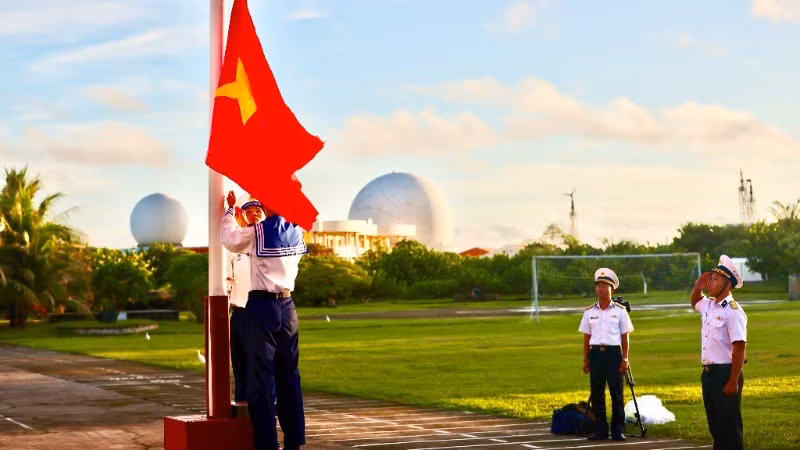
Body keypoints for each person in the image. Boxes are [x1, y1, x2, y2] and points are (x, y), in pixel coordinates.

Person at [220, 190, 307, 450]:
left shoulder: (258, 232)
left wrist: (229, 211)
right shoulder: (297, 230)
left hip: (263, 305)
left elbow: (229, 238)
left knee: (262, 379)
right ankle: (294, 441)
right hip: (289, 307)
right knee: (290, 376)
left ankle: (267, 443)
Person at [691, 255, 747, 450]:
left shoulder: (733, 311)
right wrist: (698, 287)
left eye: (715, 280)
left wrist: (733, 380)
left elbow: (739, 348)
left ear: (727, 285)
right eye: (711, 279)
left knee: (729, 428)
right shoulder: (709, 305)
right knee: (715, 426)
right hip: (708, 374)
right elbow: (695, 301)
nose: (710, 283)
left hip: (726, 373)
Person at [578, 268, 633, 441]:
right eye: (599, 286)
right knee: (597, 394)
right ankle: (600, 430)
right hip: (596, 355)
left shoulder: (620, 311)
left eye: (605, 285)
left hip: (613, 354)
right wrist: (586, 359)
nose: (601, 288)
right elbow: (587, 338)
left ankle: (618, 430)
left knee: (616, 393)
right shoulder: (589, 312)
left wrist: (625, 358)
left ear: (612, 289)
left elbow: (625, 336)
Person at [227, 195, 265, 404]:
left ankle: (262, 411)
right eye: (248, 212)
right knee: (240, 365)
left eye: (257, 212)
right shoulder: (234, 247)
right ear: (241, 216)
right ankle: (242, 408)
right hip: (240, 311)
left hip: (262, 309)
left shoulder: (270, 240)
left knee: (259, 365)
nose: (253, 216)